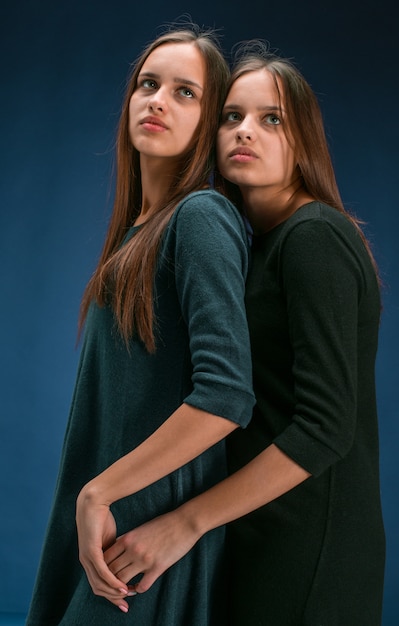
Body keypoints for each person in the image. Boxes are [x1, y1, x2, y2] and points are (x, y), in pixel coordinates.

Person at [99, 44, 385, 625]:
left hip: (308, 544)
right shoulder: (260, 243)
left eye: (270, 118)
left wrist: (186, 521)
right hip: (256, 528)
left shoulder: (314, 236)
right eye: (232, 117)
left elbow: (327, 427)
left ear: (302, 139)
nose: (244, 132)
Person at [25, 26, 256, 626]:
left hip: (142, 549)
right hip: (111, 538)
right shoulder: (137, 235)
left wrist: (100, 492)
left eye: (185, 93)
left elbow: (227, 396)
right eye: (148, 84)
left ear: (209, 124)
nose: (156, 99)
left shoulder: (200, 217)